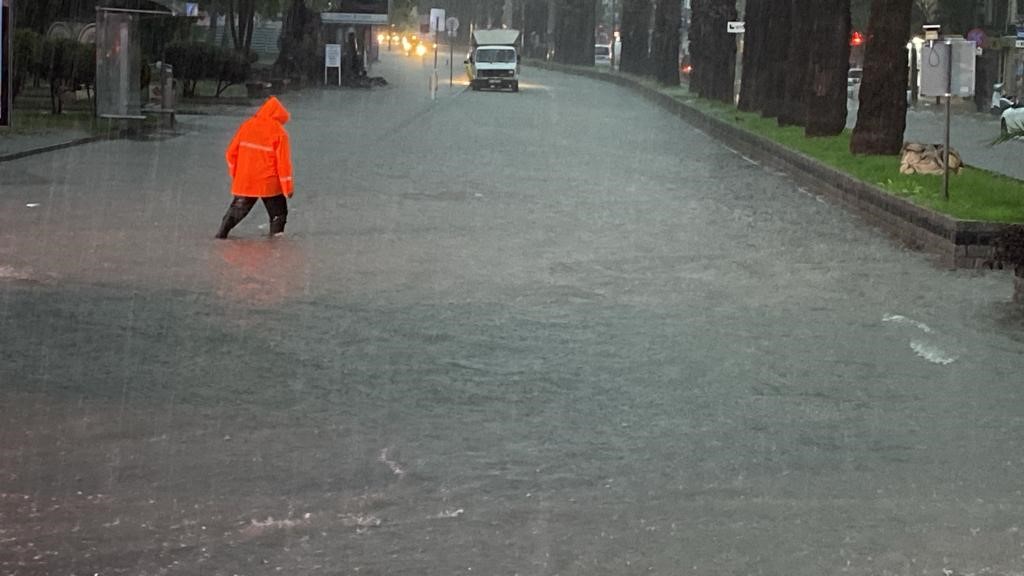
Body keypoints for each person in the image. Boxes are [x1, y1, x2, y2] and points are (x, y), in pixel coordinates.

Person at [216, 96, 294, 239]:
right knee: (278, 214)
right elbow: (283, 164)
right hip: (269, 183)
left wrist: (236, 174)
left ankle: (221, 236)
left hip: (246, 180)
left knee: (237, 211)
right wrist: (287, 188)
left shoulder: (247, 126)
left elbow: (230, 153)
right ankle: (276, 245)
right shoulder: (280, 133)